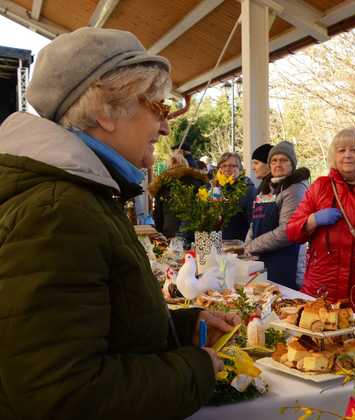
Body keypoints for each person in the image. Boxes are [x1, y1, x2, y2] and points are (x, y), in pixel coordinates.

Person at [0, 27, 239, 419]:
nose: (165, 127)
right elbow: (64, 394)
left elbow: (90, 328)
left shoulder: (78, 195)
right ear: (104, 111)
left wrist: (183, 329)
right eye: (158, 108)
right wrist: (194, 369)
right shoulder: (58, 211)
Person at [287, 127, 355, 320]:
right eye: (341, 150)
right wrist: (313, 220)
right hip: (321, 292)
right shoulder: (320, 187)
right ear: (334, 156)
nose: (347, 155)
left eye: (354, 150)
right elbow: (293, 232)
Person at [245, 141, 310, 289]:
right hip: (261, 260)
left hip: (284, 263)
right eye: (274, 160)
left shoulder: (295, 190)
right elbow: (254, 222)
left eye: (283, 160)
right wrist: (246, 246)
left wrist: (252, 246)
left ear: (292, 164)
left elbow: (286, 232)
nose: (278, 164)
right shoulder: (266, 188)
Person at [149, 150, 209, 243]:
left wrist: (160, 234)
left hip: (170, 235)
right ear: (186, 164)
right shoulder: (199, 182)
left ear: (169, 165)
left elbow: (158, 216)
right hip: (195, 235)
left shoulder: (162, 185)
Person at [216, 152, 257, 241]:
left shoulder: (247, 190)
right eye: (224, 165)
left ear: (240, 169)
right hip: (215, 243)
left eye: (232, 166)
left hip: (238, 244)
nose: (227, 168)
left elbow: (253, 222)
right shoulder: (213, 188)